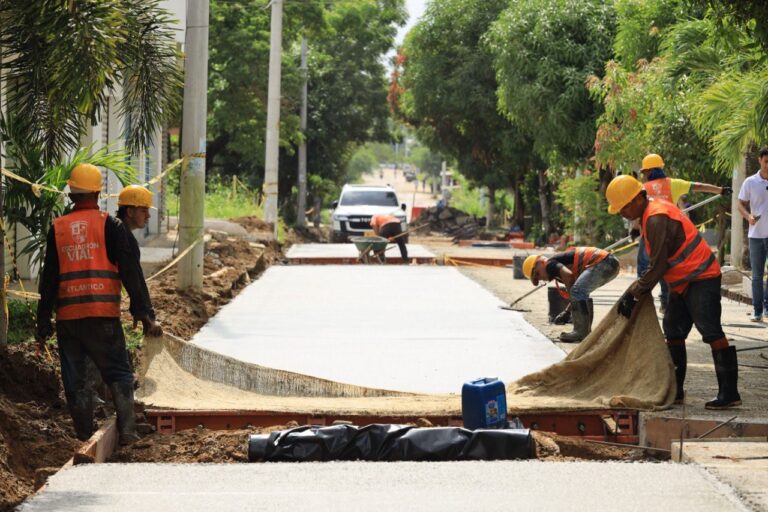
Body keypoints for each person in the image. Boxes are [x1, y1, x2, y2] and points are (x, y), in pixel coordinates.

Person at [36, 164, 162, 445]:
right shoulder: (110, 225)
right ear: (97, 192)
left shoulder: (58, 227)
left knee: (76, 381)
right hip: (102, 315)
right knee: (118, 372)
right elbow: (131, 272)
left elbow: (49, 279)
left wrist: (42, 322)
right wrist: (144, 314)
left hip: (68, 319)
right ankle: (128, 433)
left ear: (71, 193)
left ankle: (84, 437)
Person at [606, 174, 741, 409]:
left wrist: (635, 292)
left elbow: (657, 265)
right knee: (674, 331)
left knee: (710, 331)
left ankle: (730, 393)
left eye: (623, 208)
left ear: (637, 199)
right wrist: (636, 291)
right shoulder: (651, 213)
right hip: (682, 281)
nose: (621, 214)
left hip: (701, 276)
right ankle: (675, 391)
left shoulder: (656, 218)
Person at [635, 153, 731, 312]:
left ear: (650, 171)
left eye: (645, 172)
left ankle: (641, 303)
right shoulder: (673, 184)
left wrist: (636, 231)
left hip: (650, 235)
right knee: (666, 269)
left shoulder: (642, 189)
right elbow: (698, 186)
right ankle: (666, 303)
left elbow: (638, 213)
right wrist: (719, 190)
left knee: (644, 269)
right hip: (670, 237)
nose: (644, 175)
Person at [522, 247, 620, 343]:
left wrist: (569, 308)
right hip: (609, 263)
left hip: (604, 263)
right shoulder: (557, 266)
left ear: (541, 262)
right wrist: (567, 312)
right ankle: (585, 332)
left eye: (537, 274)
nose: (541, 278)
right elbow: (577, 295)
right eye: (537, 279)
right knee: (581, 292)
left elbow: (568, 276)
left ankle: (580, 332)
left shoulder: (550, 264)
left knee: (577, 291)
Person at [737, 147, 768, 322]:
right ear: (760, 161)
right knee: (757, 275)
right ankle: (758, 311)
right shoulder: (750, 182)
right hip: (756, 236)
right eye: (766, 162)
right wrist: (748, 216)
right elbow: (740, 204)